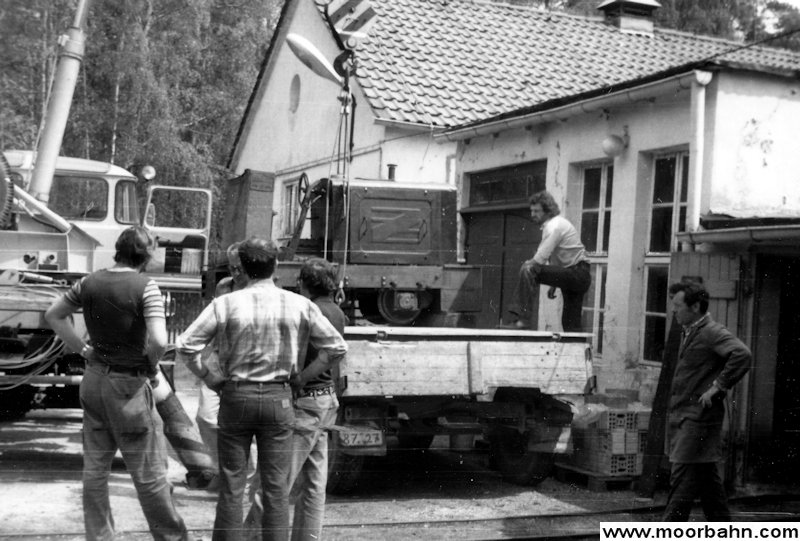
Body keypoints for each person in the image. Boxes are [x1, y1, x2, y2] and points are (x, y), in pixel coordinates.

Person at [174, 238, 348, 541]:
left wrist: (211, 379)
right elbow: (335, 348)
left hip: (236, 396)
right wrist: (302, 377)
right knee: (276, 487)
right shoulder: (300, 305)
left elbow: (186, 346)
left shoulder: (225, 303)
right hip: (279, 399)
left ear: (242, 268)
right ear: (276, 266)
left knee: (231, 485)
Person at [44, 226, 188, 541]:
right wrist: (148, 364)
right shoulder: (146, 286)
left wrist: (81, 348)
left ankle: (101, 537)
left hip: (93, 379)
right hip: (128, 386)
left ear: (118, 250)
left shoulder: (89, 282)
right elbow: (160, 340)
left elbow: (53, 314)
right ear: (147, 255)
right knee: (149, 474)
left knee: (95, 469)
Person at [244, 258, 348, 541]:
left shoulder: (308, 310)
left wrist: (299, 378)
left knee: (274, 482)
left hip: (304, 405)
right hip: (326, 402)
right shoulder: (337, 312)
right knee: (314, 486)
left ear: (303, 283)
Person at [663, 280, 752, 522]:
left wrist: (718, 386)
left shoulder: (711, 332)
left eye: (678, 305)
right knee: (707, 481)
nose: (673, 310)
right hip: (688, 417)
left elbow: (742, 354)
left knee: (681, 478)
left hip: (698, 420)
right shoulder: (691, 331)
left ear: (695, 307)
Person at [193, 241, 248, 487]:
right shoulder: (224, 287)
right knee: (206, 417)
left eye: (240, 268)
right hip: (217, 360)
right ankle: (220, 468)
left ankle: (240, 475)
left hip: (245, 365)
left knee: (244, 424)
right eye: (232, 268)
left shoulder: (262, 289)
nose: (235, 273)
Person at [509, 190, 591, 332]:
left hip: (576, 274)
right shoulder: (557, 224)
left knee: (528, 268)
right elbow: (561, 257)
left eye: (536, 211)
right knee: (571, 325)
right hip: (580, 275)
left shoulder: (554, 226)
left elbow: (539, 260)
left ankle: (522, 319)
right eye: (531, 211)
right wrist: (554, 283)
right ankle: (578, 351)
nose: (532, 215)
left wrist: (531, 264)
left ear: (547, 211)